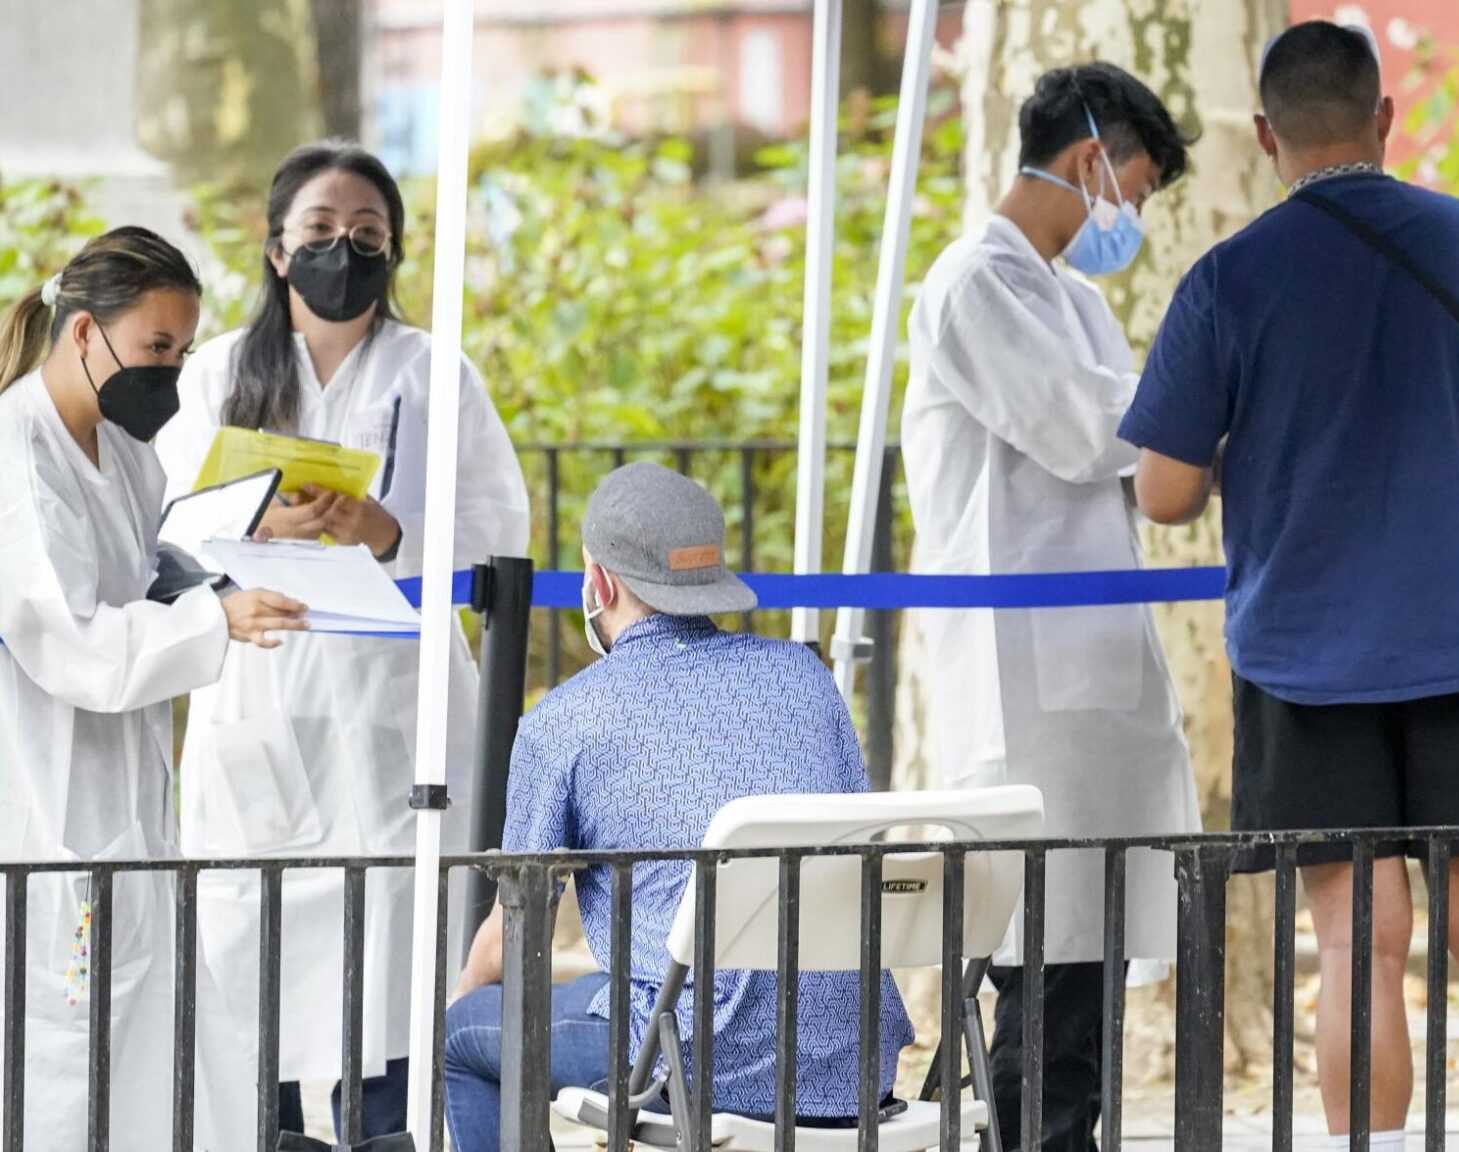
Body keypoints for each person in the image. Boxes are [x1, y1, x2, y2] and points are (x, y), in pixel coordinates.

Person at [1120, 21, 1459, 1151]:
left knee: (1358, 941)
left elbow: (1163, 493)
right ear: (1384, 116)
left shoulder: (1229, 279)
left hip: (1301, 661)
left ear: (1266, 135)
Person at [155, 141, 531, 1146]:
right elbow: (162, 529)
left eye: (367, 234)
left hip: (392, 708)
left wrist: (387, 530)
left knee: (398, 963)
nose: (344, 251)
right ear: (278, 248)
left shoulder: (433, 372)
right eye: (320, 231)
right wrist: (254, 520)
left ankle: (388, 1132)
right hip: (264, 698)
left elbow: (501, 529)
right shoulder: (217, 373)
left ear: (394, 250)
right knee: (255, 960)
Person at [901, 63, 1201, 1152]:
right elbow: (1085, 429)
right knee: (1043, 970)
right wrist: (1211, 404)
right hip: (1021, 682)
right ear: (1089, 162)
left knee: (1087, 970)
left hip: (1097, 680)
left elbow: (1138, 454)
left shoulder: (1077, 300)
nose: (1135, 217)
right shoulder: (972, 285)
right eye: (1138, 189)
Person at [442, 462, 915, 1152]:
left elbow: (518, 930)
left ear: (600, 584)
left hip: (691, 1061)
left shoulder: (566, 720)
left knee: (463, 1038)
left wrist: (464, 997)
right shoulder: (805, 679)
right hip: (852, 1059)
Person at [0, 228, 308, 1151]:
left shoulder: (125, 449)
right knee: (61, 1059)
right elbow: (71, 642)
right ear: (84, 332)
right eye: (157, 347)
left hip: (126, 798)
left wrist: (219, 567)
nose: (170, 372)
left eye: (181, 351)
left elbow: (141, 573)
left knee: (143, 1042)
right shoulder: (19, 453)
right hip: (48, 796)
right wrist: (215, 619)